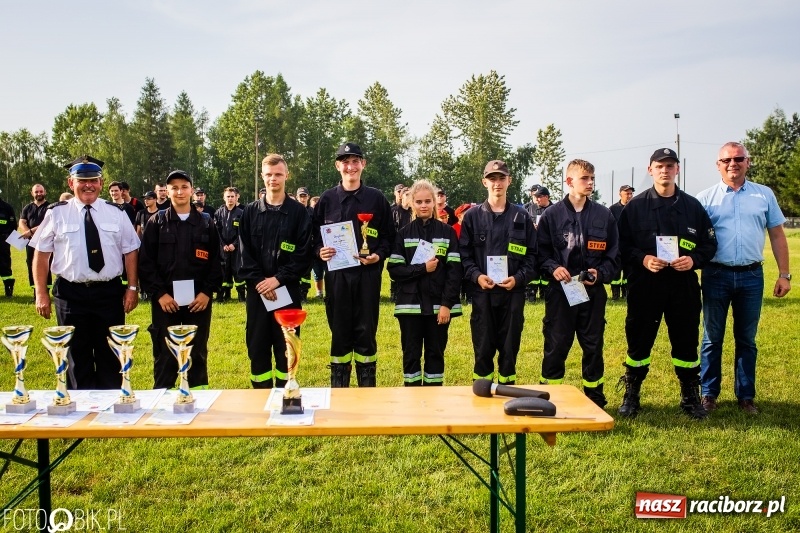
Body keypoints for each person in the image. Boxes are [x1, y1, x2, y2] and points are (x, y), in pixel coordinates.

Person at [616, 148, 717, 419]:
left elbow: (709, 244)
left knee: (686, 342)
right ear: (650, 170)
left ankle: (689, 397)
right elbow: (621, 246)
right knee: (638, 342)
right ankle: (632, 395)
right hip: (645, 285)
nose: (665, 170)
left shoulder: (692, 206)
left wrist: (693, 260)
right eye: (659, 166)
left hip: (682, 286)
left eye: (670, 165)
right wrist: (643, 258)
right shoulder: (634, 207)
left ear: (677, 170)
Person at [696, 142, 791, 415]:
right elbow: (695, 239)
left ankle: (746, 396)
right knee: (712, 338)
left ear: (748, 162)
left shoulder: (764, 195)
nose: (732, 164)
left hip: (751, 276)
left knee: (747, 339)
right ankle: (709, 394)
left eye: (738, 158)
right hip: (716, 274)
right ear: (718, 165)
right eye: (726, 160)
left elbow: (777, 235)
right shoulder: (706, 198)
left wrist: (784, 275)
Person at [31, 155, 140, 389]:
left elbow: (131, 250)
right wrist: (41, 292)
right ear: (71, 183)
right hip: (71, 295)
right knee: (74, 359)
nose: (88, 185)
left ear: (101, 183)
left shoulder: (116, 213)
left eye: (93, 180)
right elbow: (41, 254)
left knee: (111, 356)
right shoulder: (56, 213)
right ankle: (81, 419)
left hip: (109, 294)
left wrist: (132, 287)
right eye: (82, 180)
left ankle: (111, 413)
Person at [536, 160, 620, 407]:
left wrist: (601, 273)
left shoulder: (604, 215)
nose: (590, 182)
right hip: (561, 293)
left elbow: (615, 255)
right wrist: (554, 268)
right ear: (569, 181)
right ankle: (550, 397)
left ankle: (594, 397)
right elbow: (540, 253)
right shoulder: (551, 215)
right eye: (585, 178)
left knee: (593, 346)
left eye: (592, 178)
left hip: (592, 293)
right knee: (556, 344)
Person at [313, 142, 395, 387]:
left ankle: (367, 390)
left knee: (366, 333)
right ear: (338, 166)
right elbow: (313, 237)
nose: (351, 166)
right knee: (339, 333)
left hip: (368, 276)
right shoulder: (327, 199)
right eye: (345, 162)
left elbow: (390, 237)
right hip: (337, 277)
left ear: (363, 164)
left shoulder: (376, 198)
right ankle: (339, 389)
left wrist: (378, 255)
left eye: (355, 161)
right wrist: (320, 251)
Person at [138, 170, 222, 391]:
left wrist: (206, 293)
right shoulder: (156, 223)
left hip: (198, 301)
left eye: (184, 186)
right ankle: (162, 402)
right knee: (165, 355)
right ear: (166, 192)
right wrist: (159, 295)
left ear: (192, 190)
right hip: (167, 302)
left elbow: (217, 261)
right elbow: (146, 263)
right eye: (174, 187)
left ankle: (198, 402)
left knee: (197, 353)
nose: (179, 191)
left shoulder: (206, 222)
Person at [238, 154, 313, 388]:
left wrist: (278, 279)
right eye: (269, 175)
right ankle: (260, 400)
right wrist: (261, 281)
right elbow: (243, 252)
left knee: (286, 348)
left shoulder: (299, 213)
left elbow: (303, 253)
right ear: (262, 176)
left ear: (286, 176)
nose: (273, 179)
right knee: (257, 348)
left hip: (287, 293)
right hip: (258, 294)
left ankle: (286, 395)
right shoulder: (249, 212)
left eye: (278, 174)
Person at [460, 160, 537, 384]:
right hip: (483, 294)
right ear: (484, 182)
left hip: (512, 294)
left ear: (509, 181)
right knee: (483, 350)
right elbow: (464, 255)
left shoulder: (521, 217)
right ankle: (483, 398)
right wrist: (476, 276)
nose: (497, 183)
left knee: (509, 351)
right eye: (492, 179)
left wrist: (518, 278)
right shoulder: (472, 217)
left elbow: (533, 256)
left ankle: (506, 393)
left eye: (501, 178)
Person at [387, 180, 462, 386]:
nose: (423, 205)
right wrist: (422, 268)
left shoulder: (447, 233)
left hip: (439, 306)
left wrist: (447, 304)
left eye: (428, 201)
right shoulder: (403, 234)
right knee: (410, 356)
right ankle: (412, 402)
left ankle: (434, 400)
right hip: (409, 307)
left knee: (435, 354)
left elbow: (455, 272)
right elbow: (394, 270)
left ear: (435, 203)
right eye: (418, 201)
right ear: (411, 203)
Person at [19, 183, 51, 299]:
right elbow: (22, 221)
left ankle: (45, 290)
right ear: (32, 193)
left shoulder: (50, 207)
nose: (39, 194)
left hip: (45, 241)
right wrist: (27, 232)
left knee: (45, 264)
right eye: (36, 192)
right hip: (30, 242)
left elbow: (47, 223)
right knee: (30, 263)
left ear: (45, 192)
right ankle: (35, 290)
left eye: (41, 191)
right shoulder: (27, 207)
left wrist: (31, 232)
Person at [215, 187, 245, 302]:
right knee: (224, 272)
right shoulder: (218, 213)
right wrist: (223, 244)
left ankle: (242, 296)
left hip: (236, 249)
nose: (230, 199)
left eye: (232, 196)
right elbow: (217, 231)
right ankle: (223, 296)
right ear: (224, 197)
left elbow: (243, 233)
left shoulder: (241, 213)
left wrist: (235, 244)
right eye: (228, 196)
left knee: (237, 272)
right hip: (223, 249)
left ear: (237, 197)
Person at [525, 186, 553, 302]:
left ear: (546, 197)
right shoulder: (529, 209)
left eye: (539, 197)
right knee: (533, 269)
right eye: (535, 197)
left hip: (549, 245)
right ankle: (531, 293)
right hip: (533, 244)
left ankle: (545, 292)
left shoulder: (554, 209)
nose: (536, 199)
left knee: (547, 271)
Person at [609, 185, 635, 300]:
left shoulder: (635, 208)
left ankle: (626, 293)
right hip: (617, 246)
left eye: (630, 193)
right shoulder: (613, 209)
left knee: (629, 271)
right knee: (616, 272)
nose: (629, 196)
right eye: (627, 194)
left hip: (630, 245)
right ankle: (615, 294)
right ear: (620, 194)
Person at [0, 193, 16, 297]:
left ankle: (8, 288)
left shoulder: (7, 207)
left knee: (5, 264)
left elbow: (13, 225)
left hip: (3, 241)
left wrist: (7, 238)